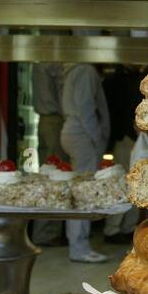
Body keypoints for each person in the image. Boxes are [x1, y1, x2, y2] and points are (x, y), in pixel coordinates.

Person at [60, 62, 110, 263]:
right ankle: (79, 247)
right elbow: (85, 107)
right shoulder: (85, 70)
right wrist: (97, 137)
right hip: (82, 135)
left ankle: (78, 245)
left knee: (80, 189)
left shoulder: (72, 71)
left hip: (74, 132)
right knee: (83, 192)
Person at [30, 63, 65, 246]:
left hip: (44, 121)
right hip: (54, 120)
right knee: (55, 176)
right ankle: (47, 233)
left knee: (47, 174)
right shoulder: (54, 63)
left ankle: (44, 231)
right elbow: (62, 93)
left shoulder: (38, 64)